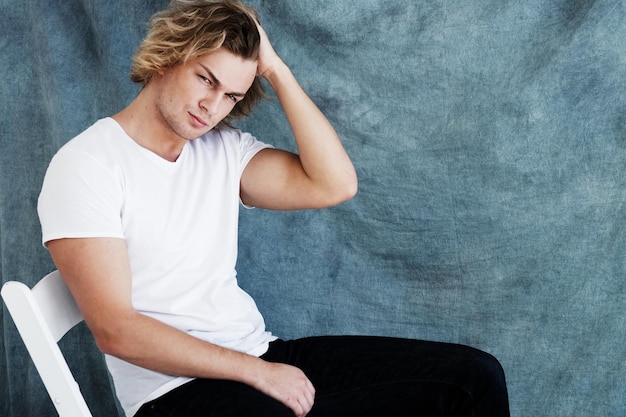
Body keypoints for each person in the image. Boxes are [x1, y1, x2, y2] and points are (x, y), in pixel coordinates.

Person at [37, 1, 511, 416]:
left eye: (232, 96)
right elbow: (117, 331)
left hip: (259, 355)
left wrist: (276, 68)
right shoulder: (87, 165)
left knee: (474, 379)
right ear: (168, 56)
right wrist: (255, 374)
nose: (212, 106)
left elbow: (335, 184)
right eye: (207, 78)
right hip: (174, 395)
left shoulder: (221, 151)